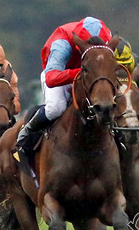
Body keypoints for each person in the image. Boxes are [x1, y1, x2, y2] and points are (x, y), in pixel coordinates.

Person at [15, 17, 112, 154]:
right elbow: (51, 78)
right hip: (61, 75)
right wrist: (82, 73)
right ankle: (28, 131)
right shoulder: (62, 43)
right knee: (56, 108)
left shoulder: (108, 38)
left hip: (91, 77)